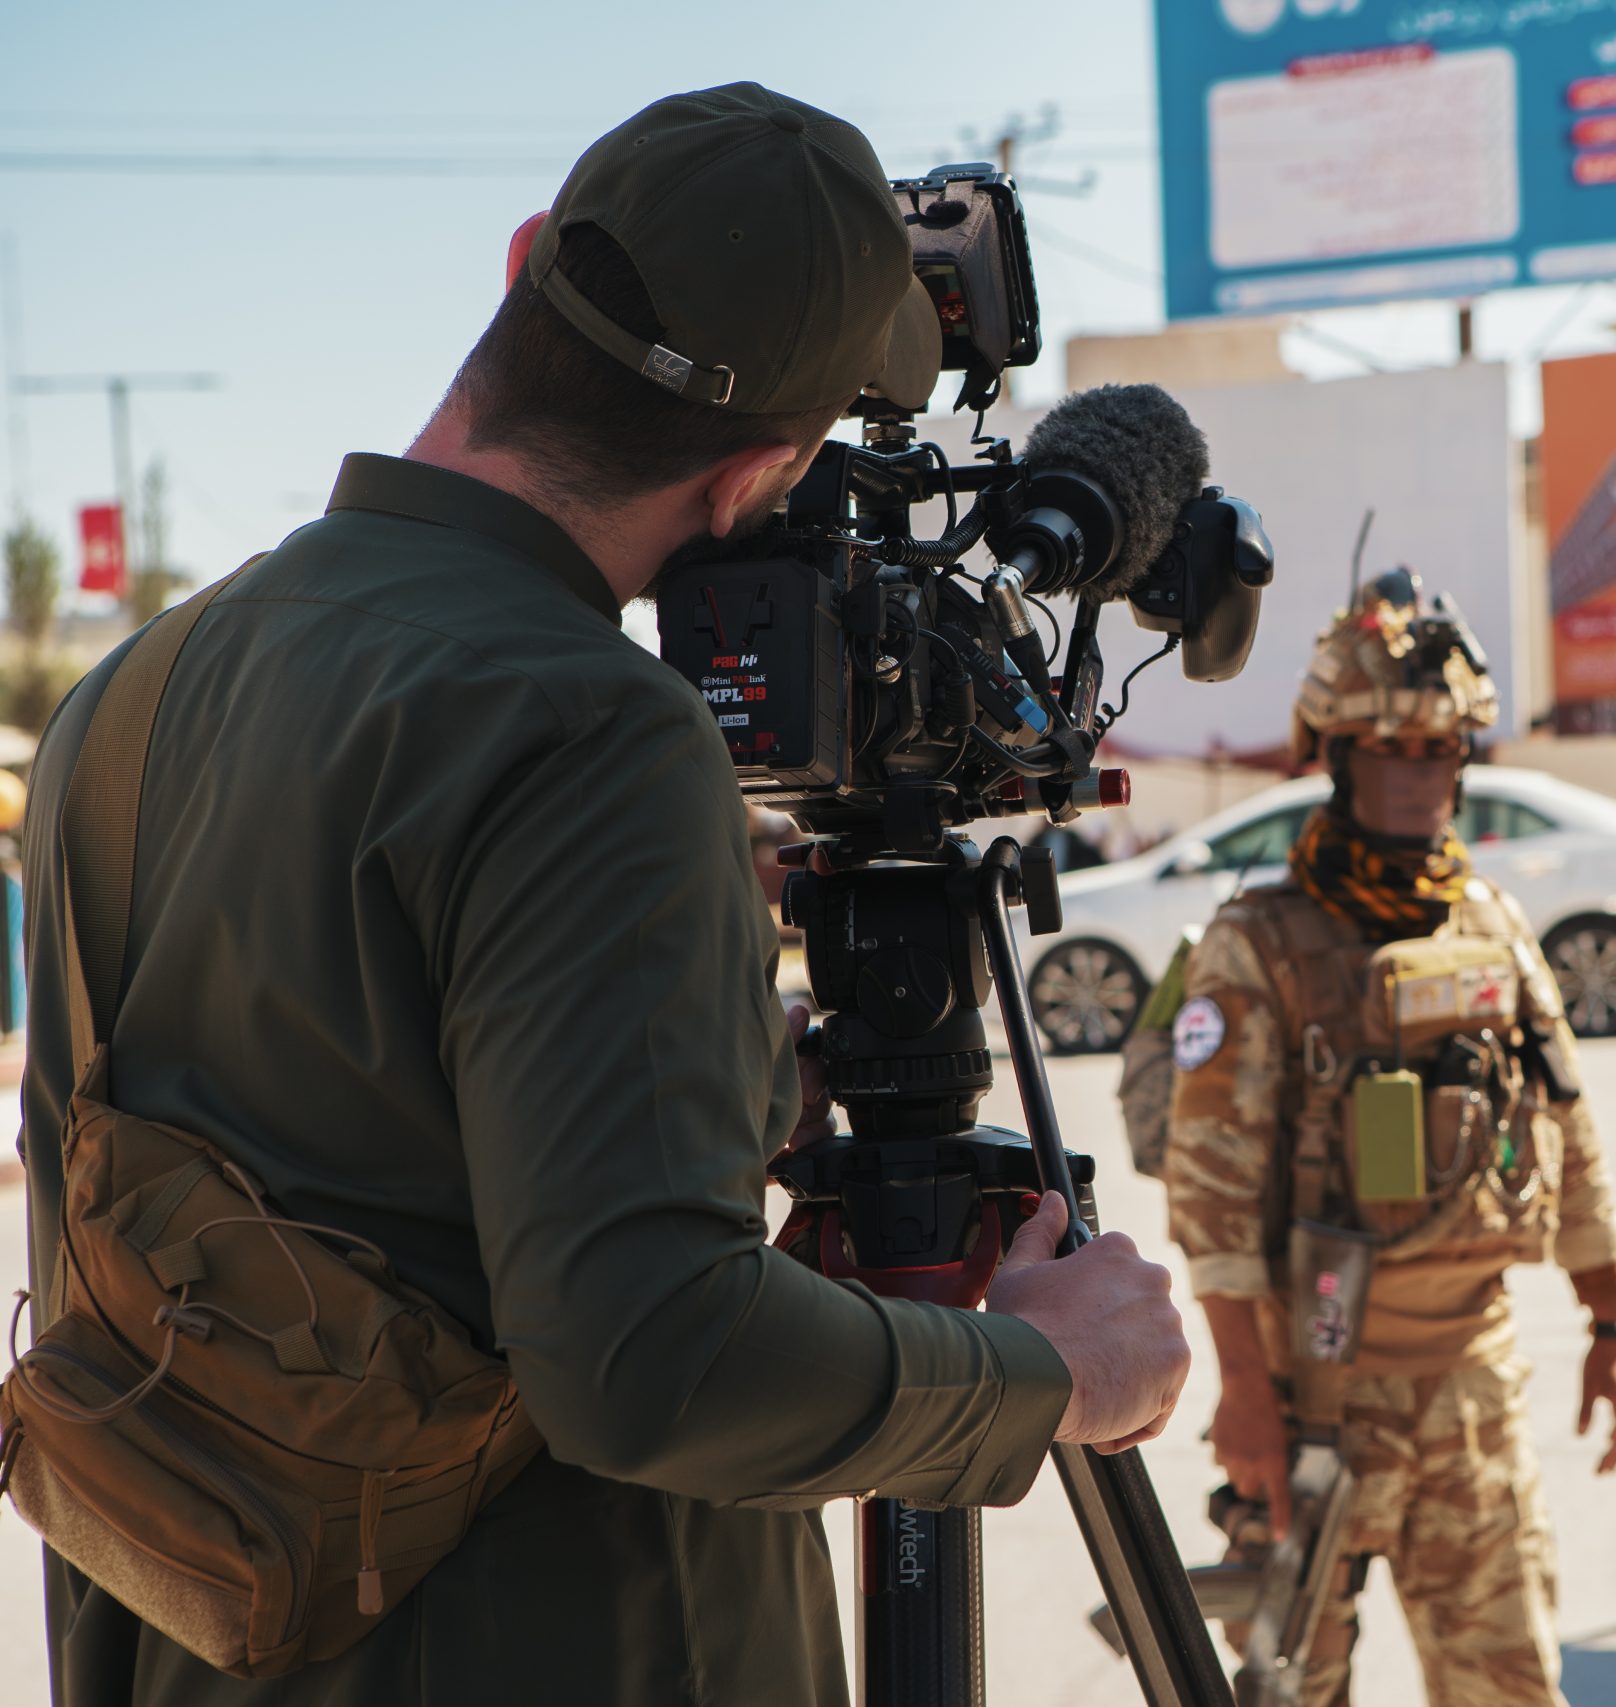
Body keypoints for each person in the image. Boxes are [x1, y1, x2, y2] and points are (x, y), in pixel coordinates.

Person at [16, 84, 1188, 1706]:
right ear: (760, 473)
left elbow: (304, 1170)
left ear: (522, 278)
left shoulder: (132, 692)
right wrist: (1050, 1368)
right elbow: (655, 1364)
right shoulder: (593, 730)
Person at [1164, 571, 1616, 1707]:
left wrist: (1611, 1314)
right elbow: (1212, 1198)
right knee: (1292, 1692)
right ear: (1336, 757)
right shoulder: (1260, 943)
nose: (1421, 776)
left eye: (1439, 751)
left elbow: (1565, 1120)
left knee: (1510, 1688)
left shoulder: (1488, 919)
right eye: (1391, 749)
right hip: (1310, 1389)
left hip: (1471, 1386)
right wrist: (1242, 1401)